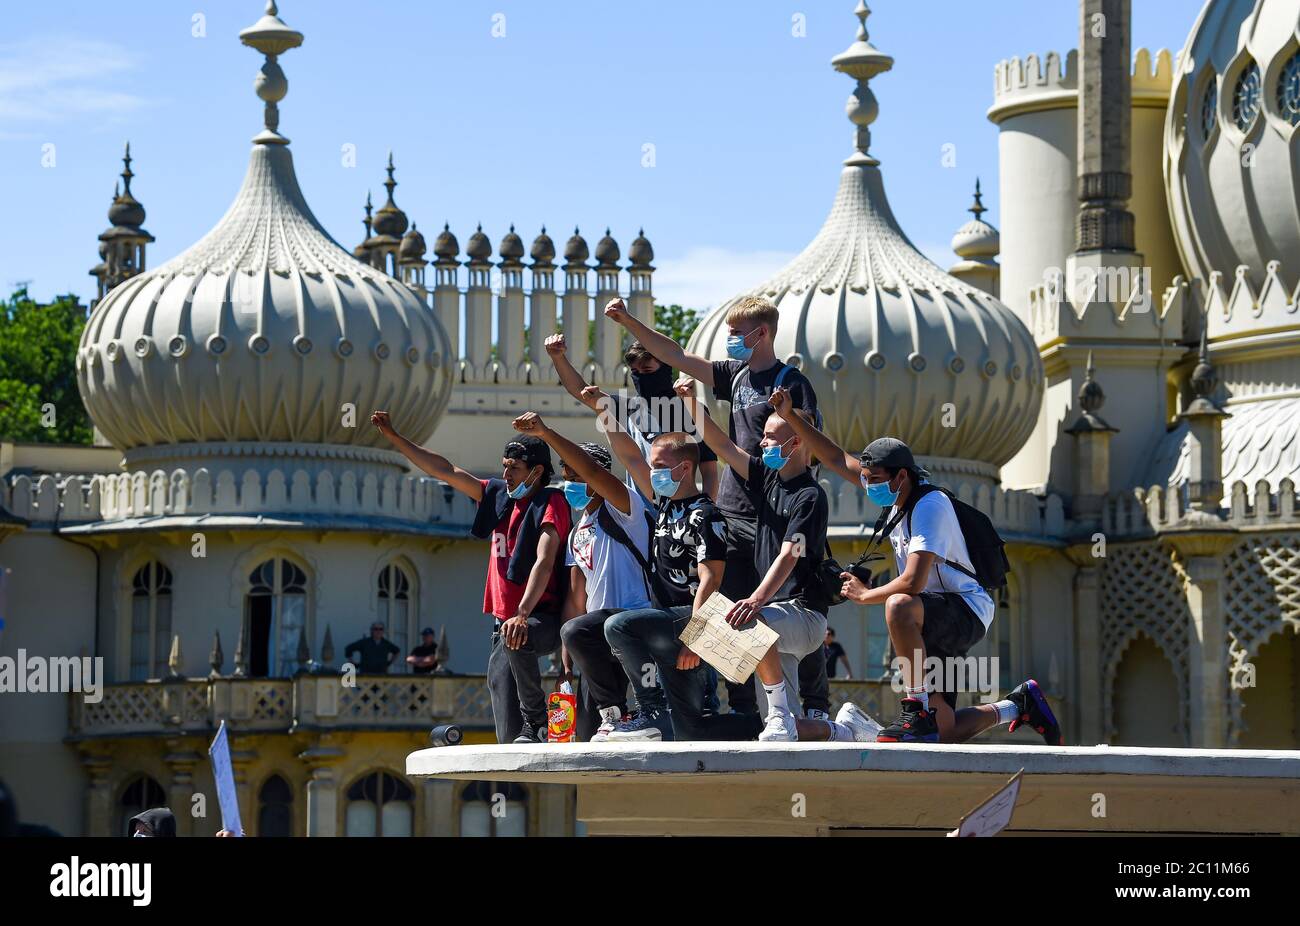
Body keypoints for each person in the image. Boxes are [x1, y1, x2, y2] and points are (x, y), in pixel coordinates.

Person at [766, 390, 1063, 746]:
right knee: (946, 730)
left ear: (901, 476)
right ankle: (1019, 705)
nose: (869, 485)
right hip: (932, 617)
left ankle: (915, 708)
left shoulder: (929, 505)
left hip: (963, 609)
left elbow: (913, 580)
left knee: (898, 604)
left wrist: (865, 595)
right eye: (868, 478)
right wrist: (792, 416)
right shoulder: (895, 495)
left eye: (876, 479)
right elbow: (831, 456)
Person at [603, 295, 830, 721]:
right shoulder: (737, 375)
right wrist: (626, 320)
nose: (729, 340)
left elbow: (810, 445)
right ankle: (746, 708)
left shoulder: (791, 383)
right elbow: (675, 355)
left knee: (792, 594)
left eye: (736, 333)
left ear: (761, 333)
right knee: (729, 606)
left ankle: (814, 708)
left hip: (778, 506)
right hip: (736, 504)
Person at [676, 377, 876, 743]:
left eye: (769, 436)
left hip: (803, 616)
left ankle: (781, 711)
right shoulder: (767, 479)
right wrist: (691, 402)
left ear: (796, 441)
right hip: (773, 622)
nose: (761, 442)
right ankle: (844, 730)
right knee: (781, 731)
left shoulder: (810, 496)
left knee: (744, 623)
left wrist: (756, 600)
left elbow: (790, 554)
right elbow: (722, 445)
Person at [371, 411, 571, 745]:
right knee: (507, 730)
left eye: (514, 468)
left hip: (540, 620)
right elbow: (445, 470)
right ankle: (523, 751)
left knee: (518, 652)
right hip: (505, 627)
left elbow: (545, 561)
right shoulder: (498, 497)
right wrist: (394, 437)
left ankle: (537, 721)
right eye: (504, 465)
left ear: (536, 472)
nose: (505, 474)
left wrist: (522, 614)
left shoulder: (551, 502)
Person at [510, 412, 653, 742]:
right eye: (565, 475)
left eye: (575, 475)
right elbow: (576, 601)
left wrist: (546, 433)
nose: (569, 483)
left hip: (633, 624)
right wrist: (566, 666)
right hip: (595, 636)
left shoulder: (625, 507)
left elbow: (592, 470)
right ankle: (614, 717)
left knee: (645, 720)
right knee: (592, 735)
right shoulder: (576, 534)